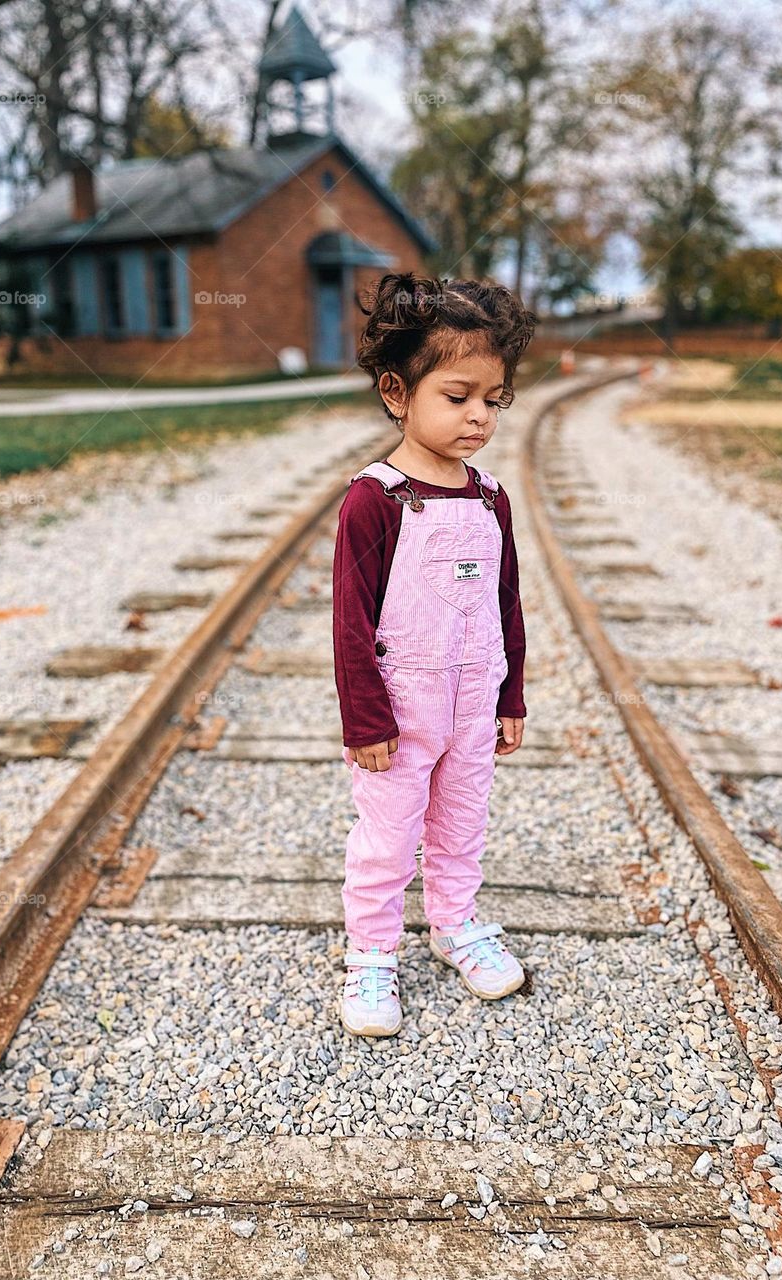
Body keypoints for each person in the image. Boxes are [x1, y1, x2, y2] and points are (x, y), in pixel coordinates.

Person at [332, 272, 537, 1037]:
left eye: (494, 398)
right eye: (458, 397)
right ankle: (373, 953)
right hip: (399, 711)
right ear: (397, 391)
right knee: (387, 837)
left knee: (461, 823)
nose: (480, 416)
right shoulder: (374, 499)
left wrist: (510, 696)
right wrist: (364, 719)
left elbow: (504, 601)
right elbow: (349, 622)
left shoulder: (490, 498)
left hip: (474, 702)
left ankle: (455, 923)